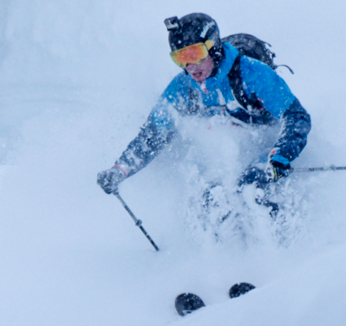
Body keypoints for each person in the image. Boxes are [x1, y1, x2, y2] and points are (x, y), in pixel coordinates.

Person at [97, 13, 311, 207]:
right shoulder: (183, 87)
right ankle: (218, 247)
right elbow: (153, 134)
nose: (191, 67)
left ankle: (278, 243)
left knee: (251, 188)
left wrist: (282, 153)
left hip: (267, 143)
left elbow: (296, 117)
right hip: (224, 147)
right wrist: (120, 169)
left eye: (195, 54)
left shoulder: (253, 73)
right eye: (181, 58)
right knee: (211, 196)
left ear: (214, 47)